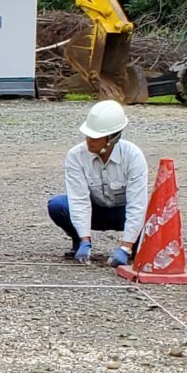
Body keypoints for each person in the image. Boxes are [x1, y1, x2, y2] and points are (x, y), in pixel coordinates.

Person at [50, 98, 149, 266]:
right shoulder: (76, 156)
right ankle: (79, 242)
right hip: (95, 211)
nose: (89, 141)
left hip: (122, 213)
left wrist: (125, 246)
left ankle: (135, 246)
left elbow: (137, 204)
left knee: (150, 214)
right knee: (58, 205)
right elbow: (78, 199)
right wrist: (84, 239)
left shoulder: (133, 156)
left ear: (112, 138)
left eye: (96, 137)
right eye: (88, 135)